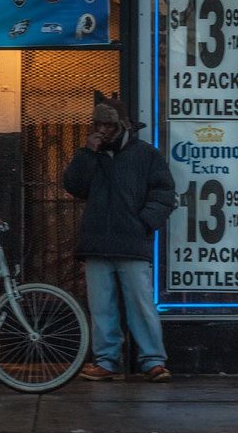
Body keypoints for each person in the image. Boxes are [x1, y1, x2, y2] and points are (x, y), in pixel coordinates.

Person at [63, 93, 176, 382]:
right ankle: (107, 360)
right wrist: (87, 154)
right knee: (101, 306)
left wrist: (143, 223)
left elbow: (164, 193)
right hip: (98, 242)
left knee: (141, 304)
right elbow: (74, 186)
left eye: (108, 126)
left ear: (123, 125)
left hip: (131, 242)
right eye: (98, 125)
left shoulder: (146, 155)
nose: (102, 130)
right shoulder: (91, 155)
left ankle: (153, 360)